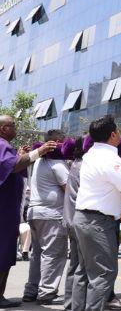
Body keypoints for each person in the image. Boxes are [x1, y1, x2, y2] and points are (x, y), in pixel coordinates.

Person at [72, 115, 121, 311]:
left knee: (84, 272)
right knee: (103, 273)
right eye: (118, 131)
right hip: (97, 221)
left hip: (85, 217)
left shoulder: (92, 154)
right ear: (112, 134)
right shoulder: (109, 158)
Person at [0, 115, 57, 308]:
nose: (16, 128)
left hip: (8, 211)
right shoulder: (1, 145)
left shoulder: (5, 146)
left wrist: (20, 156)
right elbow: (13, 166)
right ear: (3, 129)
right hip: (3, 211)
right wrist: (38, 152)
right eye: (12, 125)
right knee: (2, 253)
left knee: (6, 253)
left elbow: (14, 166)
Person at [23, 129, 70, 305]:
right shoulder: (56, 162)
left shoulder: (39, 161)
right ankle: (47, 292)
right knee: (53, 254)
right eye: (63, 141)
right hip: (51, 215)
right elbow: (69, 188)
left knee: (38, 254)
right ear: (55, 142)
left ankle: (31, 291)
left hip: (36, 213)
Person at [63, 136, 86, 311]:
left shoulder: (74, 165)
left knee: (74, 265)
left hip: (70, 219)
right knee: (81, 267)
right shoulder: (83, 166)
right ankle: (76, 304)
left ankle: (69, 303)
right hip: (79, 220)